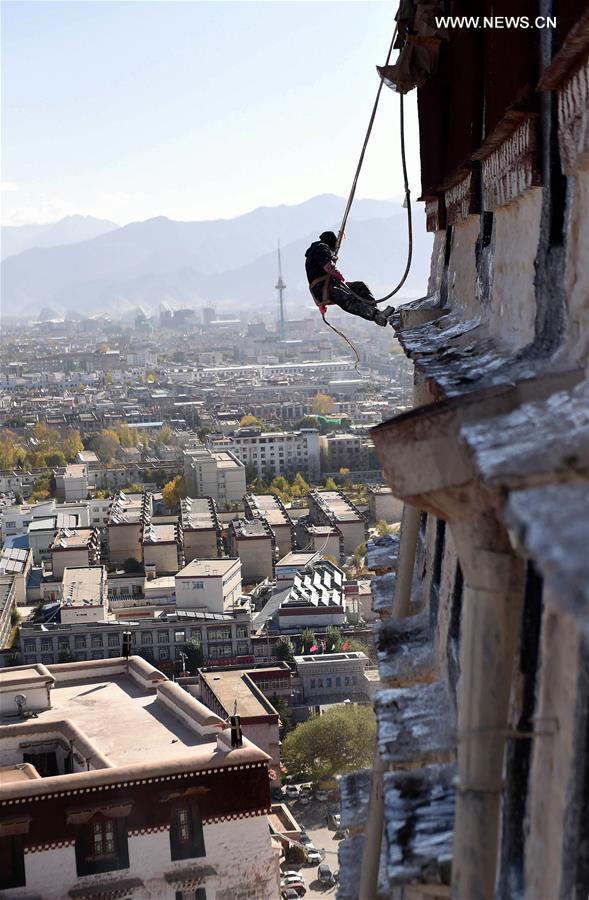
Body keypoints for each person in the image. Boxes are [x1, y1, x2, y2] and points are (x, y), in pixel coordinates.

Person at [305, 231, 394, 326]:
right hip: (323, 289)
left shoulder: (317, 251)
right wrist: (339, 276)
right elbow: (328, 267)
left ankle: (376, 312)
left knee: (359, 286)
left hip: (327, 286)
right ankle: (376, 315)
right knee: (347, 299)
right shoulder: (321, 247)